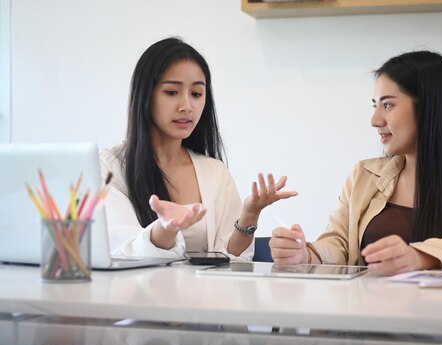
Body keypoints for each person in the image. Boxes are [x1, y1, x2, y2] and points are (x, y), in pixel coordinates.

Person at [270, 51, 442, 274]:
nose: (375, 120)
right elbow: (339, 243)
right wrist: (307, 255)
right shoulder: (364, 174)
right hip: (364, 314)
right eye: (375, 106)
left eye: (387, 105)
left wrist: (417, 257)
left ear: (428, 107)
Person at [100, 37, 296, 259]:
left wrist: (250, 214)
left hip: (207, 293)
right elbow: (122, 252)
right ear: (145, 95)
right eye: (172, 92)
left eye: (196, 94)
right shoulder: (108, 167)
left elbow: (230, 258)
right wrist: (166, 227)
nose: (187, 106)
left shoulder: (215, 172)